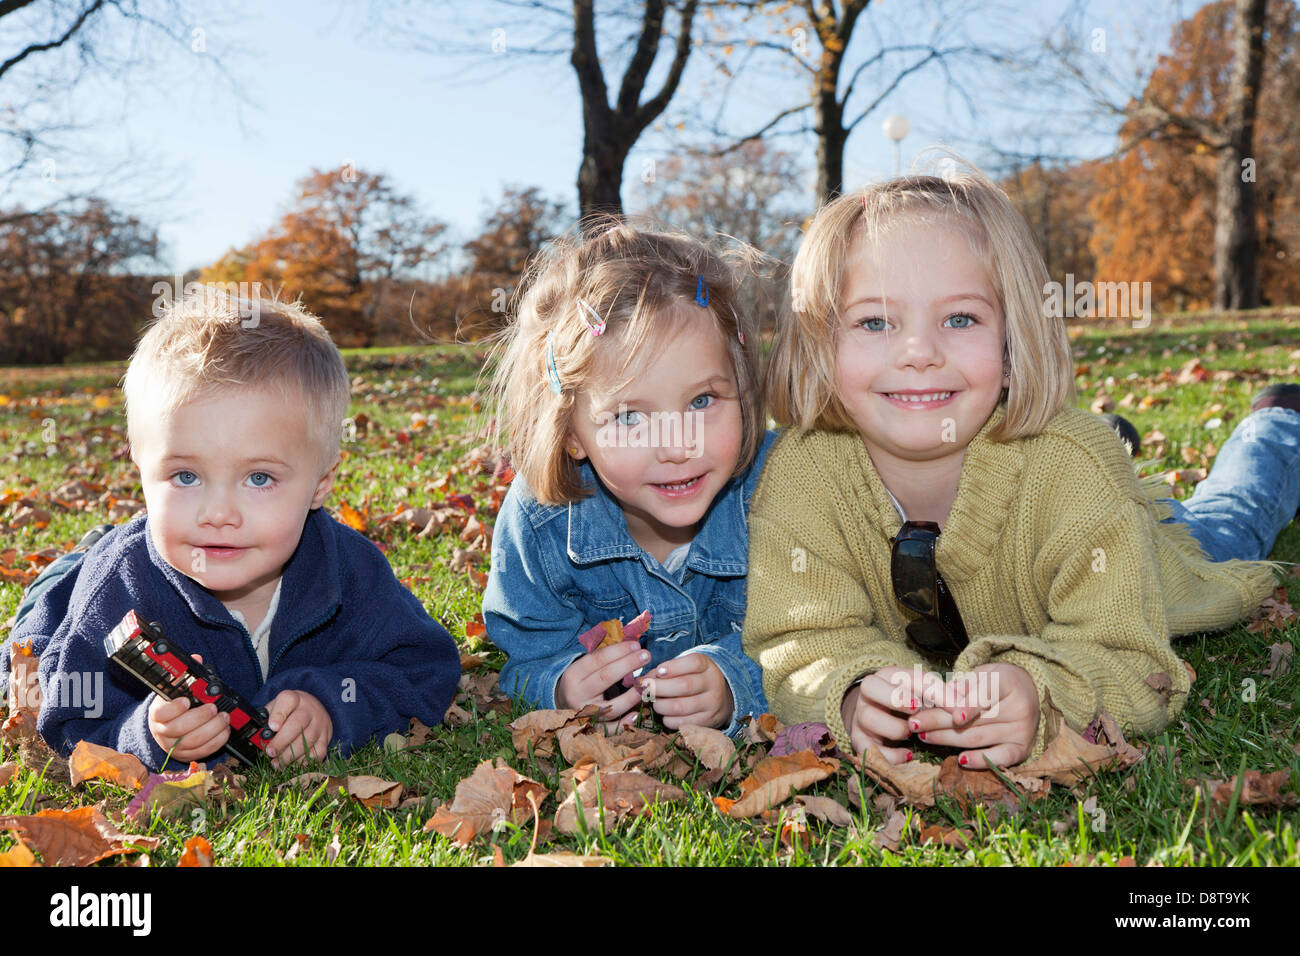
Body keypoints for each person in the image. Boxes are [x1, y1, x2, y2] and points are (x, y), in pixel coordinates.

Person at [743, 168, 1295, 769]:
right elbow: (797, 644)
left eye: (960, 319)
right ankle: (1126, 437)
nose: (918, 353)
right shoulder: (800, 471)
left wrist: (1044, 692)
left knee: (1225, 523)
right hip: (1073, 490)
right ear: (822, 345)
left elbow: (1129, 658)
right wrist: (849, 693)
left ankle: (1275, 430)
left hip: (1155, 558)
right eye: (875, 322)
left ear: (1012, 346)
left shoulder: (1071, 468)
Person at [1, 289, 461, 771]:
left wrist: (334, 706)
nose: (218, 513)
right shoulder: (117, 591)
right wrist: (147, 734)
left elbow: (425, 668)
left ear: (320, 484)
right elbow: (61, 721)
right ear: (139, 467)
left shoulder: (351, 571)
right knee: (28, 639)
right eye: (186, 476)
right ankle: (75, 561)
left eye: (258, 478)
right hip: (76, 584)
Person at [482, 223, 776, 736]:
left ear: (743, 389)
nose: (677, 445)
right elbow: (524, 657)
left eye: (702, 401)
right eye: (629, 417)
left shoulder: (782, 489)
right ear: (571, 433)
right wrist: (563, 686)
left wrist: (736, 682)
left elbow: (819, 635)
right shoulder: (538, 523)